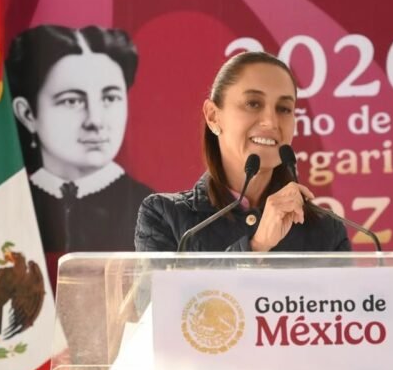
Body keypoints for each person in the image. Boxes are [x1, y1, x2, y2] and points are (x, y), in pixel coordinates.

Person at [134, 51, 350, 252]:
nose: (271, 122)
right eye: (253, 103)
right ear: (213, 116)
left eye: (284, 108)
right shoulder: (164, 215)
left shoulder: (327, 230)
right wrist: (255, 248)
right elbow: (161, 294)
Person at [6, 24, 153, 252]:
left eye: (110, 98)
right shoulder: (4, 208)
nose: (95, 121)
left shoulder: (153, 210)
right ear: (28, 114)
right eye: (72, 101)